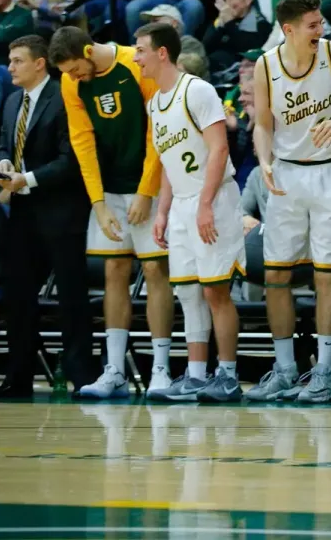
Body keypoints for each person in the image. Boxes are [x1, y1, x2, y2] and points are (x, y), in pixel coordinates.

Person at [245, 0, 331, 403]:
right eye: (313, 25)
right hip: (287, 175)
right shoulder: (266, 65)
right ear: (289, 29)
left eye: (321, 23)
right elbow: (262, 124)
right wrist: (263, 160)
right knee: (277, 275)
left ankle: (323, 370)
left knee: (326, 276)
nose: (322, 30)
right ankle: (285, 370)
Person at [47, 27, 172, 399]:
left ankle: (161, 370)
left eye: (75, 69)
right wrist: (98, 204)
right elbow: (82, 142)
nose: (73, 78)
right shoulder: (72, 85)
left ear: (89, 50)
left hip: (150, 181)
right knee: (113, 269)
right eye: (68, 73)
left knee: (153, 269)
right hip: (110, 188)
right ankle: (115, 369)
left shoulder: (135, 63)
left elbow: (158, 131)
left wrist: (147, 192)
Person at [135, 22, 245, 402]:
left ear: (161, 53)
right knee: (187, 293)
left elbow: (219, 149)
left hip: (212, 199)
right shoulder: (154, 103)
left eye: (141, 51)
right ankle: (196, 374)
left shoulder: (197, 90)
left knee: (216, 291)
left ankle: (228, 376)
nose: (136, 58)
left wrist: (203, 205)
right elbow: (167, 163)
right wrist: (163, 212)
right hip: (181, 204)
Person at [0, 35, 95, 398]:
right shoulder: (13, 99)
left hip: (62, 212)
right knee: (17, 297)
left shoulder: (65, 96)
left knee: (71, 298)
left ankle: (82, 379)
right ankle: (17, 378)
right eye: (9, 60)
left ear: (39, 63)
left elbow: (72, 160)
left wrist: (27, 179)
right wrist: (3, 162)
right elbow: (5, 142)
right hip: (22, 214)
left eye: (17, 60)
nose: (10, 67)